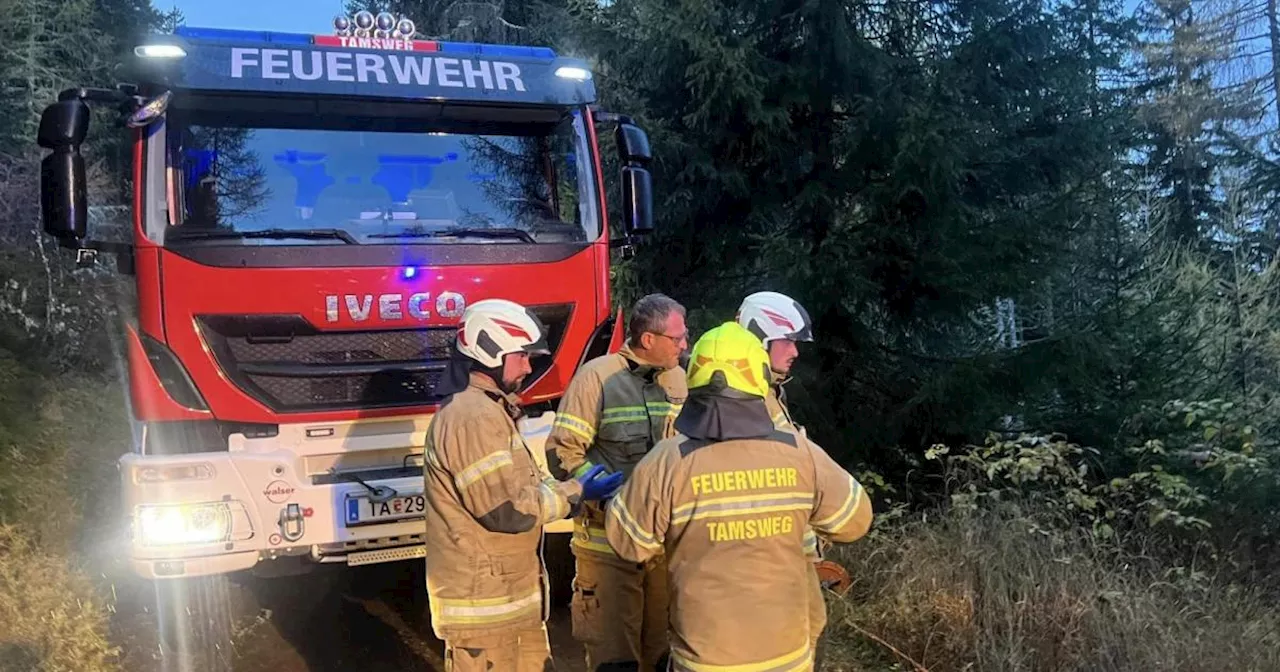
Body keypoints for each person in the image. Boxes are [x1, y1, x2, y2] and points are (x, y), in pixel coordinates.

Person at [603, 321, 873, 671]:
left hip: (704, 660)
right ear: (758, 377)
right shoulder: (799, 451)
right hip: (787, 658)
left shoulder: (667, 461)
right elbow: (855, 522)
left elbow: (627, 543)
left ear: (694, 377)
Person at [422, 298, 625, 671]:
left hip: (507, 603)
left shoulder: (492, 409)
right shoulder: (471, 418)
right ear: (490, 351)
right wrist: (576, 494)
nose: (529, 367)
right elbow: (507, 510)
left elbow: (522, 484)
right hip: (485, 614)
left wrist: (570, 486)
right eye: (522, 356)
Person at [546, 293, 689, 671]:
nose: (684, 345)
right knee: (616, 663)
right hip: (606, 549)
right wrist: (600, 497)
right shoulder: (597, 377)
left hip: (659, 549)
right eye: (677, 338)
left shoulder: (678, 380)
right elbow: (562, 453)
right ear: (648, 340)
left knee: (660, 658)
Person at [736, 291, 830, 662]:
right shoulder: (746, 400)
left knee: (810, 623)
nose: (795, 352)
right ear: (761, 338)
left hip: (787, 548)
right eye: (789, 341)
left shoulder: (768, 393)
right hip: (768, 552)